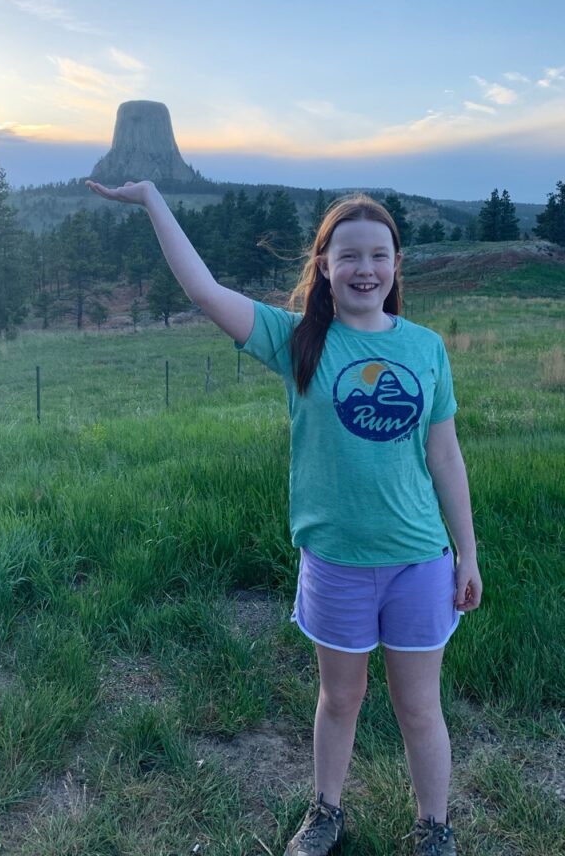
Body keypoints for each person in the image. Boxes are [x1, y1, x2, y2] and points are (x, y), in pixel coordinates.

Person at [86, 178, 482, 856]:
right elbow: (205, 292)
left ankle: (433, 828)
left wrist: (467, 554)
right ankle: (326, 811)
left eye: (379, 255)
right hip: (335, 562)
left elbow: (445, 458)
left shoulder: (425, 348)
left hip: (420, 559)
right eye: (349, 256)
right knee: (340, 699)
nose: (366, 269)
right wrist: (153, 197)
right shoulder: (299, 340)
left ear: (396, 265)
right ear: (324, 268)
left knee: (419, 707)